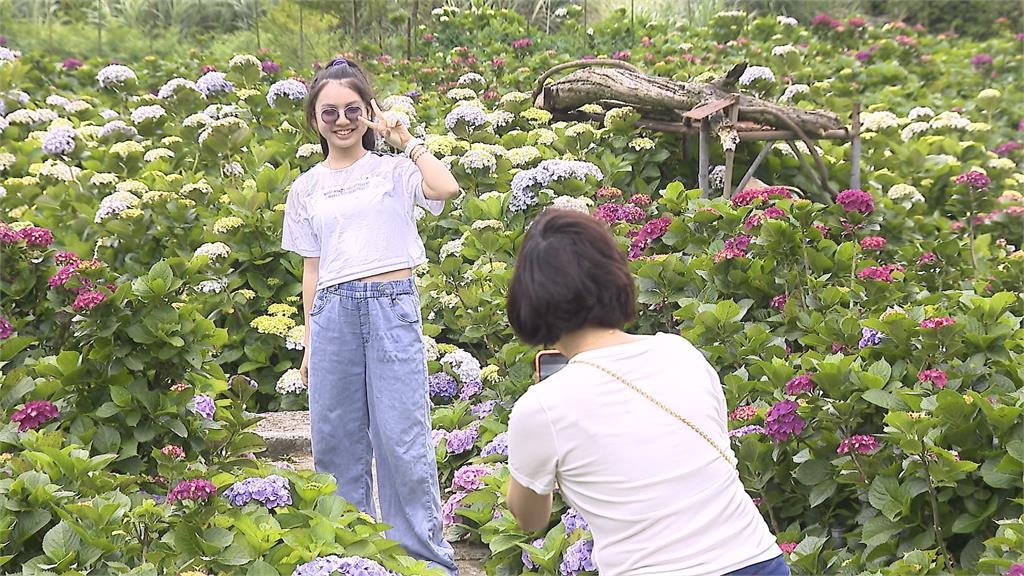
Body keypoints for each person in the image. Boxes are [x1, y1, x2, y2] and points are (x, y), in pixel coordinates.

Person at [504, 209, 790, 575]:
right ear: (615, 277)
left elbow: (530, 519)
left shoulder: (543, 407)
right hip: (757, 560)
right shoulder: (681, 353)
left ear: (529, 297)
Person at [281, 57, 461, 573]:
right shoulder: (306, 188)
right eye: (329, 111)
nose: (342, 120)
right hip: (333, 313)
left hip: (390, 307)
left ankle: (425, 560)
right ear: (314, 119)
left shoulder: (394, 170)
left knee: (402, 438)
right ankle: (351, 557)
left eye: (353, 109)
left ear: (369, 112)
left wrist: (405, 137)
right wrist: (311, 340)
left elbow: (445, 188)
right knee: (335, 440)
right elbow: (311, 272)